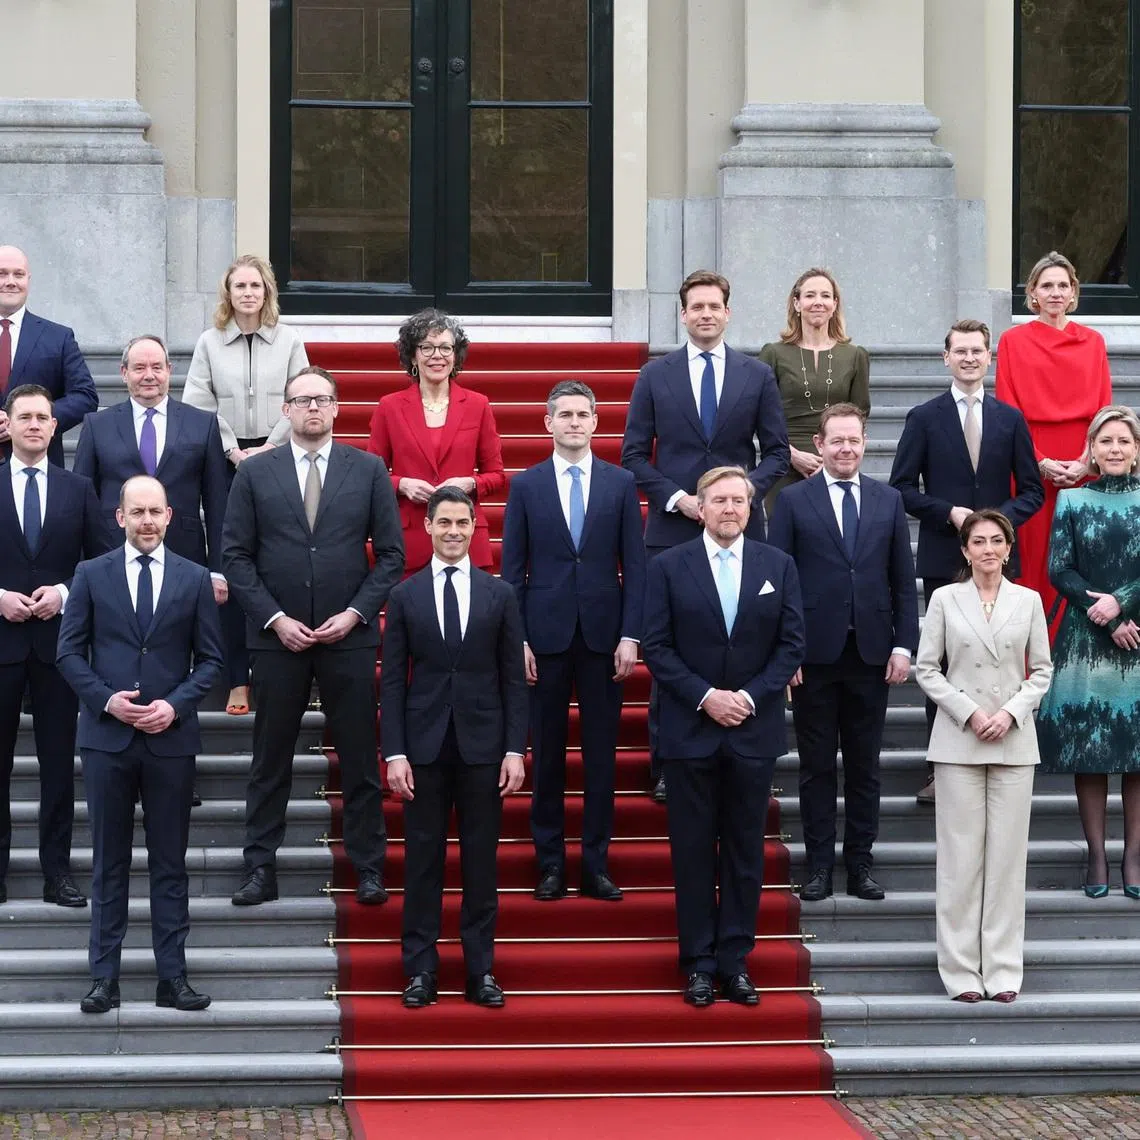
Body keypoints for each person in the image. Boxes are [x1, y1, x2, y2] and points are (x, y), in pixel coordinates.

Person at [222, 365, 403, 907]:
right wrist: (274, 619)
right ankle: (259, 869)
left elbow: (391, 556)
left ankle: (368, 867)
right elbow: (234, 555)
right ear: (286, 410)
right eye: (302, 401)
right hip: (278, 640)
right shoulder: (255, 473)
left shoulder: (369, 469)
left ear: (337, 407)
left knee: (359, 758)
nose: (313, 409)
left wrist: (355, 613)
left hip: (348, 637)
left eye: (323, 400)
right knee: (269, 758)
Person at [56, 475, 225, 1014]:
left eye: (156, 511)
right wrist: (108, 702)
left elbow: (215, 661)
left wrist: (174, 705)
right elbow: (69, 653)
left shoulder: (195, 578)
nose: (148, 521)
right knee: (108, 861)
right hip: (107, 740)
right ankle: (104, 976)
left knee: (170, 863)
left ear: (170, 517)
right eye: (138, 512)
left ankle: (171, 977)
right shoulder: (90, 574)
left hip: (170, 740)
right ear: (120, 517)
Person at [622, 270, 790, 802]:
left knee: (745, 641)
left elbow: (779, 453)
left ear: (728, 312)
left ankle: (750, 758)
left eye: (714, 306)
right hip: (674, 531)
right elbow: (632, 455)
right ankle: (669, 763)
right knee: (674, 646)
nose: (705, 314)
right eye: (696, 307)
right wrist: (681, 499)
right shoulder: (655, 375)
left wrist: (737, 494)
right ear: (683, 313)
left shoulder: (756, 375)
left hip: (743, 533)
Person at [642, 466, 804, 1008]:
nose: (730, 508)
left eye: (739, 500)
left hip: (753, 732)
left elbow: (790, 645)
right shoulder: (668, 566)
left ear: (751, 507)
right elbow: (657, 647)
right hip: (690, 731)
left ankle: (735, 961)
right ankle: (698, 964)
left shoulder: (777, 565)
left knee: (743, 853)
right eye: (720, 500)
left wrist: (750, 698)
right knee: (691, 853)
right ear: (702, 508)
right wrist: (707, 696)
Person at [500, 380, 646, 902]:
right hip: (545, 638)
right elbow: (512, 570)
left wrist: (631, 634)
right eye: (564, 415)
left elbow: (637, 566)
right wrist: (516, 638)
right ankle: (550, 864)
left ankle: (596, 863)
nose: (575, 423)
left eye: (583, 414)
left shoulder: (621, 483)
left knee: (601, 757)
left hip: (606, 641)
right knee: (549, 756)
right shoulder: (527, 486)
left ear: (596, 423)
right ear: (548, 423)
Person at [382, 487, 528, 1009]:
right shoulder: (403, 596)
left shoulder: (500, 594)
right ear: (427, 527)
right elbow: (394, 681)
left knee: (480, 866)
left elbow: (514, 678)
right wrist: (394, 753)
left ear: (474, 527)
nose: (452, 532)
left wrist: (515, 748)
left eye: (461, 523)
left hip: (484, 750)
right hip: (422, 750)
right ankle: (420, 970)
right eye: (443, 522)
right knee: (422, 863)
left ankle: (480, 970)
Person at [768, 403, 918, 903]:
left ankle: (860, 866)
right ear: (820, 444)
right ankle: (817, 867)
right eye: (837, 441)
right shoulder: (791, 501)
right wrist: (785, 654)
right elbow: (779, 581)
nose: (846, 449)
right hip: (813, 656)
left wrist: (903, 644)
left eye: (854, 440)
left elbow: (901, 579)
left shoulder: (888, 500)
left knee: (864, 767)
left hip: (872, 654)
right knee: (814, 766)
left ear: (864, 441)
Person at [891, 319, 1045, 803]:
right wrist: (949, 514)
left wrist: (997, 522)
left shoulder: (1010, 419)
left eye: (978, 351)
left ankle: (1002, 744)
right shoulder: (923, 417)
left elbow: (1034, 490)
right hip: (943, 555)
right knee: (942, 659)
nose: (969, 358)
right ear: (946, 357)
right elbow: (901, 488)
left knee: (999, 658)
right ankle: (941, 765)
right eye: (960, 351)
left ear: (989, 358)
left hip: (998, 560)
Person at [915, 510, 1052, 1003]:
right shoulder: (944, 599)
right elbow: (927, 669)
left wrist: (1011, 713)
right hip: (959, 741)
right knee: (960, 861)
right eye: (979, 541)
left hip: (1014, 742)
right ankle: (959, 972)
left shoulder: (1029, 600)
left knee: (1007, 861)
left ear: (1009, 549)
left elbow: (1041, 671)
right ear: (965, 550)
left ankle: (1002, 970)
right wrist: (970, 713)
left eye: (997, 541)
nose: (988, 549)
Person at [182, 254, 310, 715]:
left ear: (267, 291)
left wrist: (268, 448)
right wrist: (234, 450)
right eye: (240, 286)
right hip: (224, 460)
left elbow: (303, 394)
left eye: (256, 285)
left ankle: (279, 669)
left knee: (277, 560)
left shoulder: (290, 340)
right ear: (228, 293)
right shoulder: (209, 342)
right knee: (230, 568)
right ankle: (237, 678)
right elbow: (198, 403)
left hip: (279, 454)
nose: (248, 293)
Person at [0, 385, 110, 908]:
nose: (36, 425)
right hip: (1, 644)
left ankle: (57, 873)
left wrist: (65, 593)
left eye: (44, 417)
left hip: (59, 649)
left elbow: (100, 561)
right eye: (25, 417)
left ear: (54, 425)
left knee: (57, 768)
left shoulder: (77, 488)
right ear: (8, 423)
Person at [1036, 406, 1140, 899]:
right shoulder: (1073, 500)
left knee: (1138, 755)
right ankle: (1097, 854)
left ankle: (1134, 856)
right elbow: (1060, 569)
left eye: (1123, 441)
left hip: (1139, 636)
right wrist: (1109, 615)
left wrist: (1123, 603)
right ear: (1091, 450)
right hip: (1085, 639)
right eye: (1105, 442)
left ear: (1136, 450)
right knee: (1092, 751)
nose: (1114, 449)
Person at [995, 251, 1113, 627]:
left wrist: (1085, 461)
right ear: (1032, 293)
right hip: (1031, 459)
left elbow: (1104, 408)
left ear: (1074, 291)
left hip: (1085, 458)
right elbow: (1008, 410)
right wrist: (1041, 462)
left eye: (1063, 285)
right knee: (1037, 559)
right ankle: (1034, 661)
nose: (1056, 293)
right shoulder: (1013, 341)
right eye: (1047, 285)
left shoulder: (1093, 341)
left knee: (1085, 556)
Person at [367, 310, 506, 575]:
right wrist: (402, 484)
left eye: (445, 348)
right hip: (411, 538)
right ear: (412, 355)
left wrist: (471, 483)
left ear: (456, 355)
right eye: (427, 347)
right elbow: (370, 474)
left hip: (465, 534)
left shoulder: (478, 405)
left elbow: (497, 476)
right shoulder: (390, 407)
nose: (437, 355)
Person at [759, 268, 870, 515]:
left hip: (838, 463)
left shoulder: (855, 356)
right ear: (797, 303)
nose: (818, 302)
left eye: (825, 296)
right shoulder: (773, 354)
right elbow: (761, 417)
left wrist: (833, 460)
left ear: (834, 304)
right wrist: (791, 455)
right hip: (784, 464)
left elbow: (859, 415)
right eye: (810, 296)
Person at [0, 245, 99, 467]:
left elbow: (85, 396)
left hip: (38, 470)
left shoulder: (58, 337)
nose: (10, 281)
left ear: (28, 280)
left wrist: (32, 417)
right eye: (2, 274)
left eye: (18, 274)